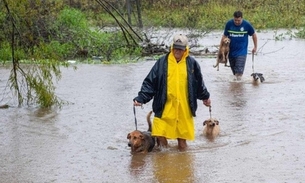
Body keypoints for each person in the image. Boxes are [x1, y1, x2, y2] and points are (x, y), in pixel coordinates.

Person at [133, 34, 211, 151]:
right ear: (171, 47)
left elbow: (199, 83)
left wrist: (205, 97)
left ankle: (182, 163)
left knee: (182, 142)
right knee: (159, 133)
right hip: (165, 106)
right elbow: (150, 82)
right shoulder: (162, 63)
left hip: (184, 107)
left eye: (180, 48)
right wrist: (141, 98)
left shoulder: (192, 63)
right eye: (175, 48)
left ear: (186, 49)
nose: (177, 51)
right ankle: (165, 159)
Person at [221, 10, 258, 80]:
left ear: (242, 18)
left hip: (242, 52)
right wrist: (221, 49)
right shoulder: (229, 24)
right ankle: (235, 89)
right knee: (235, 74)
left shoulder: (247, 25)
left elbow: (254, 35)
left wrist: (255, 47)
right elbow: (224, 36)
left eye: (239, 20)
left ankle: (239, 89)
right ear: (233, 18)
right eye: (235, 20)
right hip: (231, 52)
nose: (237, 22)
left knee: (239, 73)